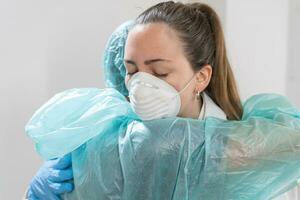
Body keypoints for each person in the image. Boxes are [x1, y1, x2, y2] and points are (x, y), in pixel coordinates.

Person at [25, 1, 300, 199]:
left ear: (201, 77)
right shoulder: (107, 140)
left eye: (160, 72)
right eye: (132, 71)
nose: (142, 85)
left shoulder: (248, 152)